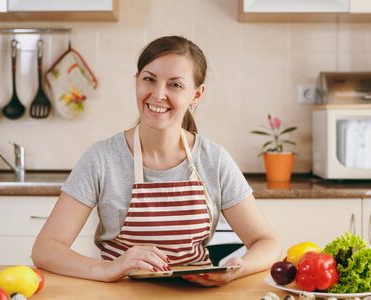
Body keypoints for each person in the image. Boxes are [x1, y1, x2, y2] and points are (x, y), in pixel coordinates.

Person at [32, 35, 281, 286]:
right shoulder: (102, 158)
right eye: (149, 79)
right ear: (137, 82)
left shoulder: (214, 160)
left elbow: (268, 243)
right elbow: (45, 249)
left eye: (175, 85)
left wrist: (238, 268)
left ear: (196, 95)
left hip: (195, 293)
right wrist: (107, 269)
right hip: (123, 292)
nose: (158, 94)